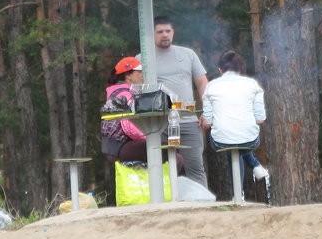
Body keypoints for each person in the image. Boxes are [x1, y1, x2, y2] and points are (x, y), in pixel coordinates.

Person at [137, 16, 208, 185]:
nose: (164, 35)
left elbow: (202, 82)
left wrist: (208, 110)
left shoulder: (188, 54)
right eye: (160, 31)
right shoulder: (142, 58)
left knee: (195, 166)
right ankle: (163, 206)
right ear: (153, 34)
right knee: (158, 166)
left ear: (173, 32)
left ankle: (202, 205)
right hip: (158, 122)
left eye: (168, 31)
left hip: (187, 120)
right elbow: (135, 87)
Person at [101, 57, 183, 171]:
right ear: (128, 75)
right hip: (119, 146)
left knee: (171, 149)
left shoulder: (124, 91)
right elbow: (128, 125)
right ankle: (161, 187)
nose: (142, 75)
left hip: (118, 145)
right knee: (172, 154)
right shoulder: (124, 95)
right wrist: (150, 137)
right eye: (139, 72)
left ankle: (158, 186)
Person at [202, 49, 268, 182]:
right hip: (250, 140)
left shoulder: (211, 87)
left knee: (229, 142)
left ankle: (237, 195)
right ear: (241, 69)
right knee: (237, 142)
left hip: (220, 141)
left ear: (220, 69)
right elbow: (260, 119)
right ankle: (254, 165)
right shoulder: (253, 85)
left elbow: (207, 123)